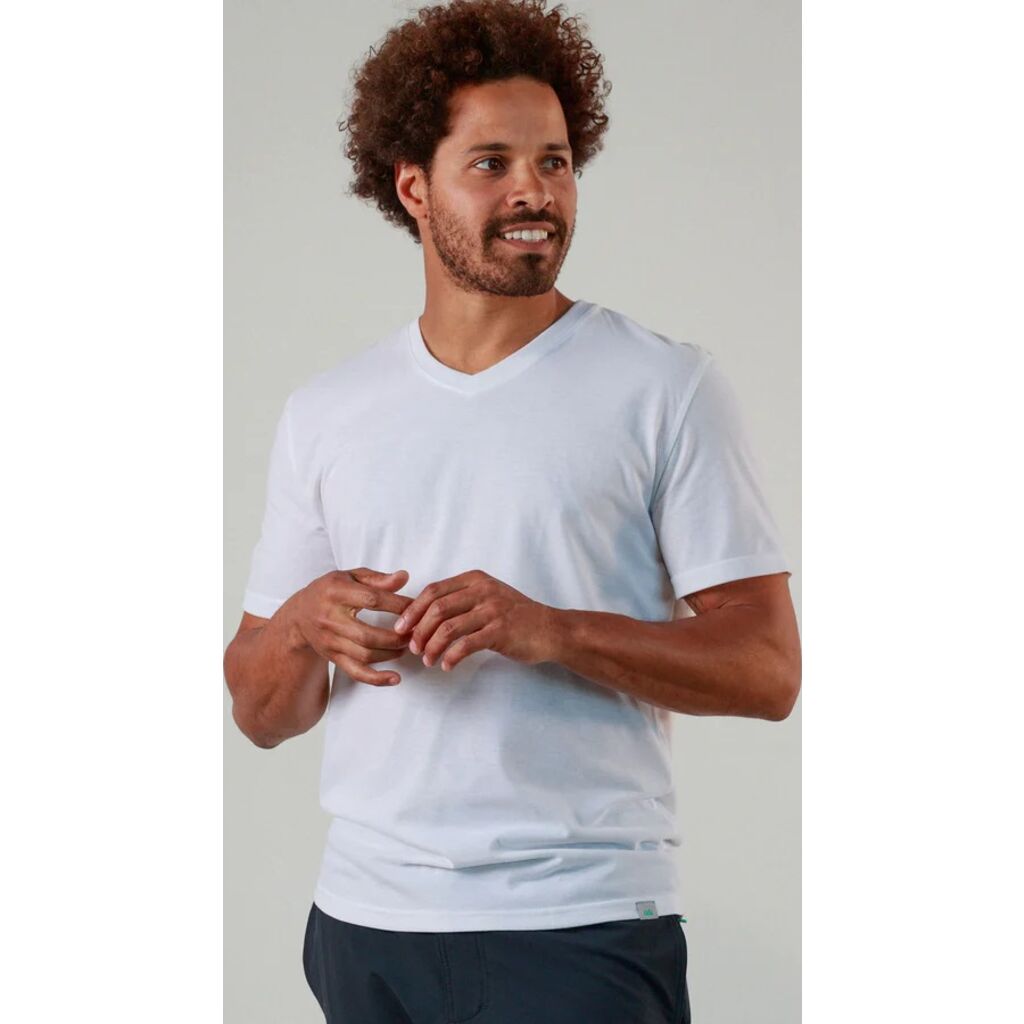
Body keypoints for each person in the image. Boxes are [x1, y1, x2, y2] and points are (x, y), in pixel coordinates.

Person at [223, 1, 801, 1020]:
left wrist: (553, 630)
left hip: (578, 926)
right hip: (364, 925)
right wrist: (304, 626)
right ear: (413, 185)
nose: (535, 191)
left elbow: (767, 669)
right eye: (491, 162)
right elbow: (260, 713)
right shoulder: (328, 411)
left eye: (555, 161)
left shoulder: (664, 388)